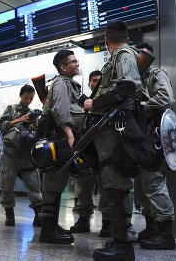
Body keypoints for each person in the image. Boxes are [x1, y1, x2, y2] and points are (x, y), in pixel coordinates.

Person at [84, 20, 143, 260]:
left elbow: (128, 85)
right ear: (126, 37)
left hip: (116, 127)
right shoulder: (120, 55)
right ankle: (119, 238)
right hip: (109, 129)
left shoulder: (123, 54)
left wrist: (94, 103)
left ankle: (123, 244)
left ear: (106, 40)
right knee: (113, 184)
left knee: (117, 184)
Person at [37, 49, 85, 244]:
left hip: (63, 137)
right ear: (63, 67)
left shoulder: (71, 84)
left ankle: (52, 225)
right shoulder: (61, 83)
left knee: (58, 182)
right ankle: (48, 230)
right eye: (73, 61)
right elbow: (60, 110)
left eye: (77, 60)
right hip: (60, 138)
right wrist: (70, 135)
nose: (77, 63)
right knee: (54, 182)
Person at [132, 41, 176, 250]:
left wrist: (140, 106)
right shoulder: (134, 80)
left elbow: (165, 98)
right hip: (139, 140)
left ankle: (166, 234)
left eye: (146, 56)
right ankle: (152, 228)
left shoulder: (157, 74)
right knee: (141, 187)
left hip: (154, 138)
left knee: (154, 183)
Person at [70, 70, 113, 237]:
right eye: (93, 80)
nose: (96, 83)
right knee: (84, 185)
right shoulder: (82, 104)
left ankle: (108, 222)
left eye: (99, 81)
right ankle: (83, 218)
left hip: (104, 148)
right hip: (87, 149)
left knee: (106, 184)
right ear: (89, 84)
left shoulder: (107, 102)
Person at [0, 84, 42, 227]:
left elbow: (37, 134)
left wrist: (35, 124)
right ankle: (9, 214)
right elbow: (2, 124)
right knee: (6, 184)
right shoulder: (11, 109)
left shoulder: (31, 112)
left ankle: (38, 214)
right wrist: (18, 120)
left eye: (31, 98)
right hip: (9, 153)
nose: (28, 101)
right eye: (26, 98)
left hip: (26, 155)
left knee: (34, 184)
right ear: (20, 95)